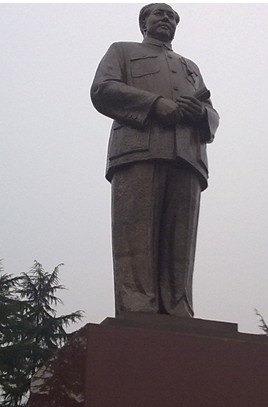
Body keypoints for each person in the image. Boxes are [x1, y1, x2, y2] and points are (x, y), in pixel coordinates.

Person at [91, 3, 219, 317]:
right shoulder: (122, 51)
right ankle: (137, 306)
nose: (166, 19)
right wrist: (154, 104)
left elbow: (212, 113)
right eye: (159, 13)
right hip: (137, 150)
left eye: (172, 16)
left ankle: (178, 308)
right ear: (143, 23)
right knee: (135, 235)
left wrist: (200, 114)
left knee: (180, 242)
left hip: (187, 156)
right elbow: (103, 89)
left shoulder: (190, 67)